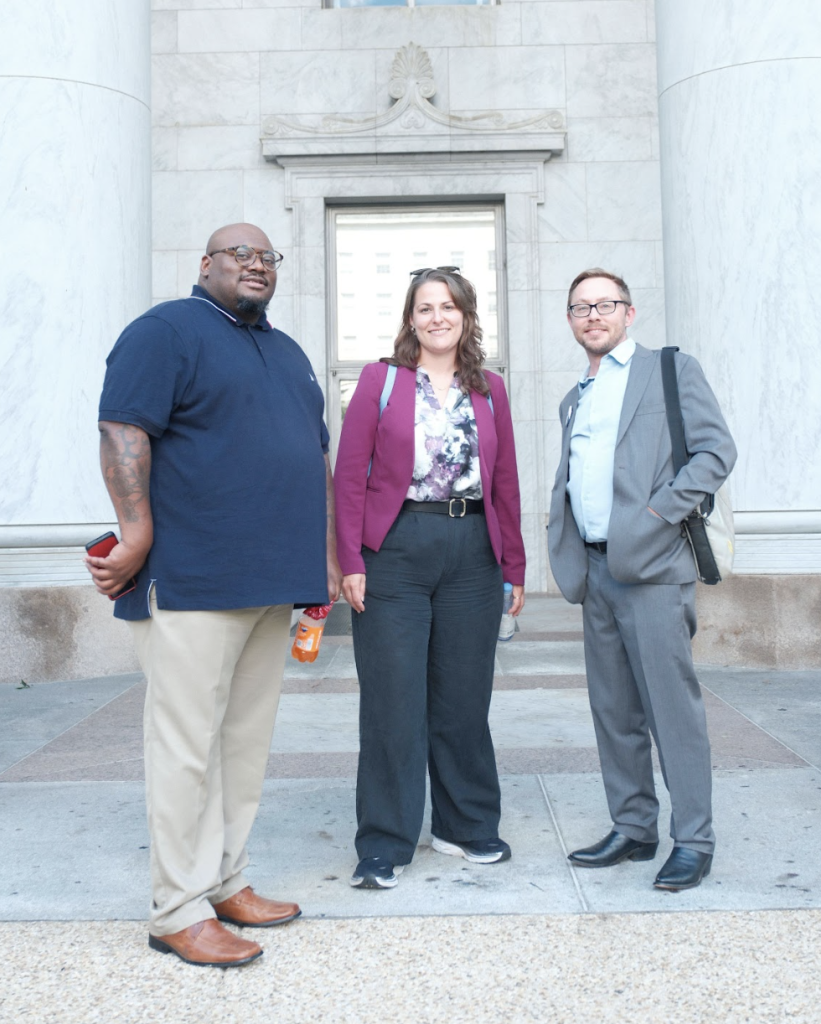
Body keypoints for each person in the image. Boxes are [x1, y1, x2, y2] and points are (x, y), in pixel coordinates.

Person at [87, 223, 342, 967]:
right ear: (206, 264)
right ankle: (177, 907)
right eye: (241, 254)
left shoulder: (288, 351)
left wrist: (323, 557)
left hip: (271, 581)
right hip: (195, 576)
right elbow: (122, 432)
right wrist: (133, 535)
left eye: (268, 257)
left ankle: (225, 880)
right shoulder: (166, 330)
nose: (256, 265)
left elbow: (313, 456)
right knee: (186, 747)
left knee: (242, 745)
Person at [334, 267, 526, 890]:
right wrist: (352, 562)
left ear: (467, 317)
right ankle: (385, 842)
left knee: (465, 698)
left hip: (473, 550)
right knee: (392, 701)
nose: (437, 316)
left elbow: (505, 486)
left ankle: (465, 825)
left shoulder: (490, 389)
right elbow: (349, 475)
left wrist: (514, 566)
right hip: (396, 549)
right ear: (410, 318)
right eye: (425, 307)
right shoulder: (380, 381)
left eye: (449, 307)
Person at [548, 268, 737, 891]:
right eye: (580, 307)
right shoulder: (575, 393)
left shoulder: (669, 371)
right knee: (614, 709)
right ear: (571, 320)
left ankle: (695, 839)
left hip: (653, 569)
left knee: (671, 712)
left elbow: (715, 452)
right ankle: (633, 827)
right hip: (595, 568)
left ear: (629, 312)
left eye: (605, 304)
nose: (592, 315)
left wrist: (659, 511)